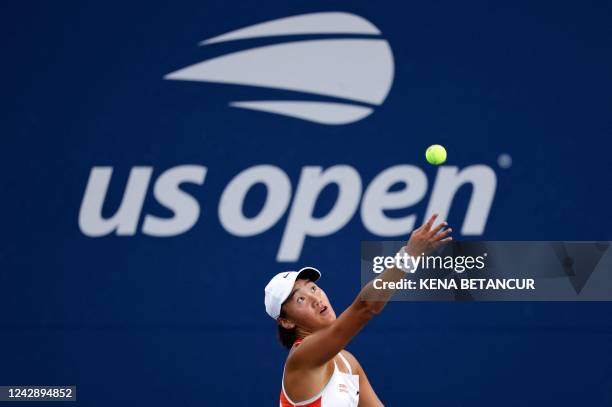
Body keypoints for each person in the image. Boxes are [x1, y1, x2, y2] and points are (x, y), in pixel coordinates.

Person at [264, 214, 452, 406]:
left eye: (313, 288)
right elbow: (364, 307)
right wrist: (408, 256)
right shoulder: (303, 358)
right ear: (286, 322)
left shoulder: (347, 363)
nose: (315, 298)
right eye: (300, 299)